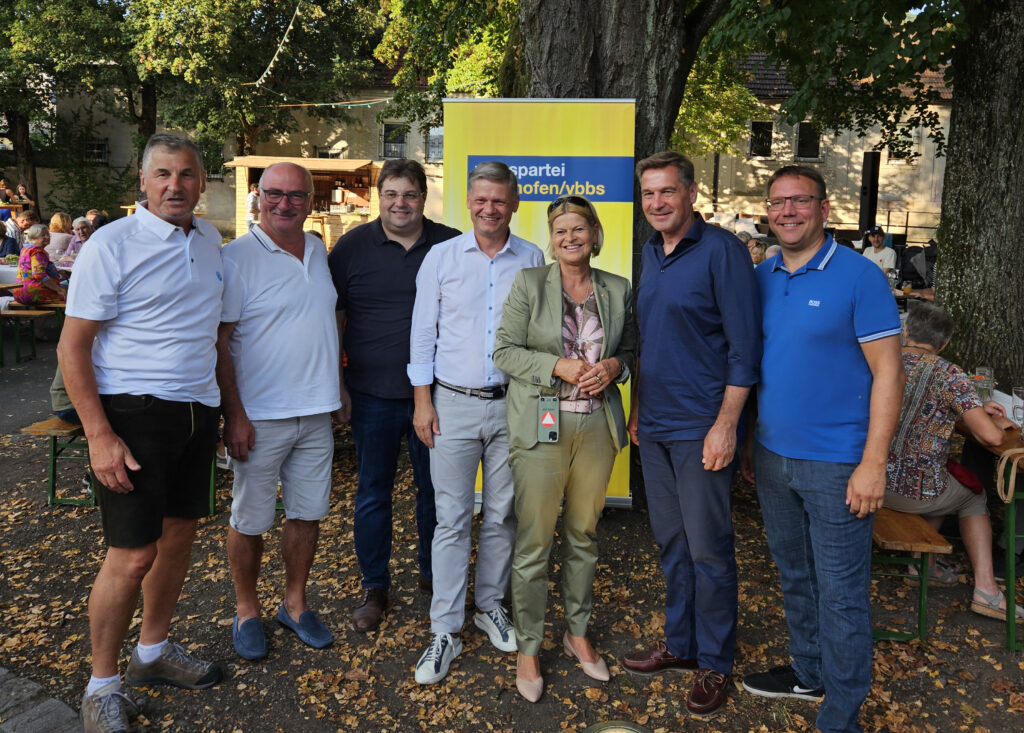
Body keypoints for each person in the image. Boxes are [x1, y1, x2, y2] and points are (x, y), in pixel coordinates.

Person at [58, 133, 224, 733]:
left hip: (196, 412)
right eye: (162, 174)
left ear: (202, 183)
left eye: (186, 174)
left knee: (178, 538)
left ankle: (152, 653)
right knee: (131, 556)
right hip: (133, 413)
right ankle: (101, 687)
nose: (174, 185)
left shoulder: (209, 240)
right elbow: (72, 346)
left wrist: (224, 410)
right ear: (143, 183)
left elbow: (213, 333)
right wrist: (100, 436)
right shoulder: (112, 243)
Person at [740, 165, 904, 733]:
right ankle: (810, 673)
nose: (787, 211)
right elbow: (759, 367)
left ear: (823, 208)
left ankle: (841, 716)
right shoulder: (761, 278)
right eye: (777, 202)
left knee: (841, 593)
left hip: (840, 464)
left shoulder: (860, 277)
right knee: (794, 574)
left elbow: (889, 374)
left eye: (799, 201)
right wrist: (749, 441)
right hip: (772, 456)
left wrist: (873, 463)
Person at [620, 151, 761, 717]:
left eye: (667, 192)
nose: (657, 203)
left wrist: (728, 425)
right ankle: (680, 645)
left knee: (708, 550)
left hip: (702, 428)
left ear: (691, 193)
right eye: (649, 194)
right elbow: (651, 341)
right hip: (653, 426)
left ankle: (715, 662)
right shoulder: (652, 253)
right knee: (673, 545)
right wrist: (636, 412)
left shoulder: (723, 253)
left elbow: (745, 348)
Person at [492, 196, 636, 702]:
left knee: (583, 536)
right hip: (542, 427)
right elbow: (505, 350)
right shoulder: (531, 284)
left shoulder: (617, 289)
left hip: (597, 428)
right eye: (560, 230)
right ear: (551, 240)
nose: (570, 237)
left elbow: (631, 350)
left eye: (580, 228)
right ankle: (529, 646)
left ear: (596, 234)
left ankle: (577, 634)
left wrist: (614, 368)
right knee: (534, 542)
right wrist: (558, 367)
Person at [408, 160, 544, 685]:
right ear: (469, 202)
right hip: (452, 405)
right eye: (480, 199)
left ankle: (489, 605)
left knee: (504, 513)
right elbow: (423, 334)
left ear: (514, 205)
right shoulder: (441, 258)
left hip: (514, 403)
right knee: (452, 518)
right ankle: (445, 628)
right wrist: (423, 401)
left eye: (500, 200)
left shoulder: (532, 258)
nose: (490, 208)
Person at [217, 162, 342, 662]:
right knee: (250, 519)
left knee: (307, 515)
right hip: (260, 415)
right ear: (258, 197)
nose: (285, 204)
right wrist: (234, 414)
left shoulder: (317, 249)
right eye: (275, 194)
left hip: (316, 411)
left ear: (310, 201)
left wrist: (338, 386)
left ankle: (294, 603)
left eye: (296, 195)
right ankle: (247, 610)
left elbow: (325, 321)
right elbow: (220, 343)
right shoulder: (235, 258)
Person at [328, 159, 460, 632]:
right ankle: (375, 585)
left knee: (435, 492)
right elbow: (334, 319)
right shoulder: (352, 247)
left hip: (439, 396)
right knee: (372, 492)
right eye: (391, 195)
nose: (400, 204)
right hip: (372, 395)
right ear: (379, 197)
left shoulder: (450, 244)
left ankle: (433, 576)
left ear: (424, 198)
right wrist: (337, 385)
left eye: (410, 195)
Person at [884, 302, 1022, 619]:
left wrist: (971, 410)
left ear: (905, 331)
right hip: (910, 493)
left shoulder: (884, 359)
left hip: (869, 480)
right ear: (944, 344)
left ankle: (924, 564)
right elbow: (991, 438)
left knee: (944, 479)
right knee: (973, 496)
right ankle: (986, 590)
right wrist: (994, 424)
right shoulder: (949, 373)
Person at [12, 224, 67, 305]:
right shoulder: (37, 251)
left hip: (19, 291)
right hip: (33, 292)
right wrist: (58, 289)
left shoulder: (26, 249)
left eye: (48, 234)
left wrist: (57, 271)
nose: (47, 237)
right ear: (33, 237)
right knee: (68, 292)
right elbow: (39, 275)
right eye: (43, 235)